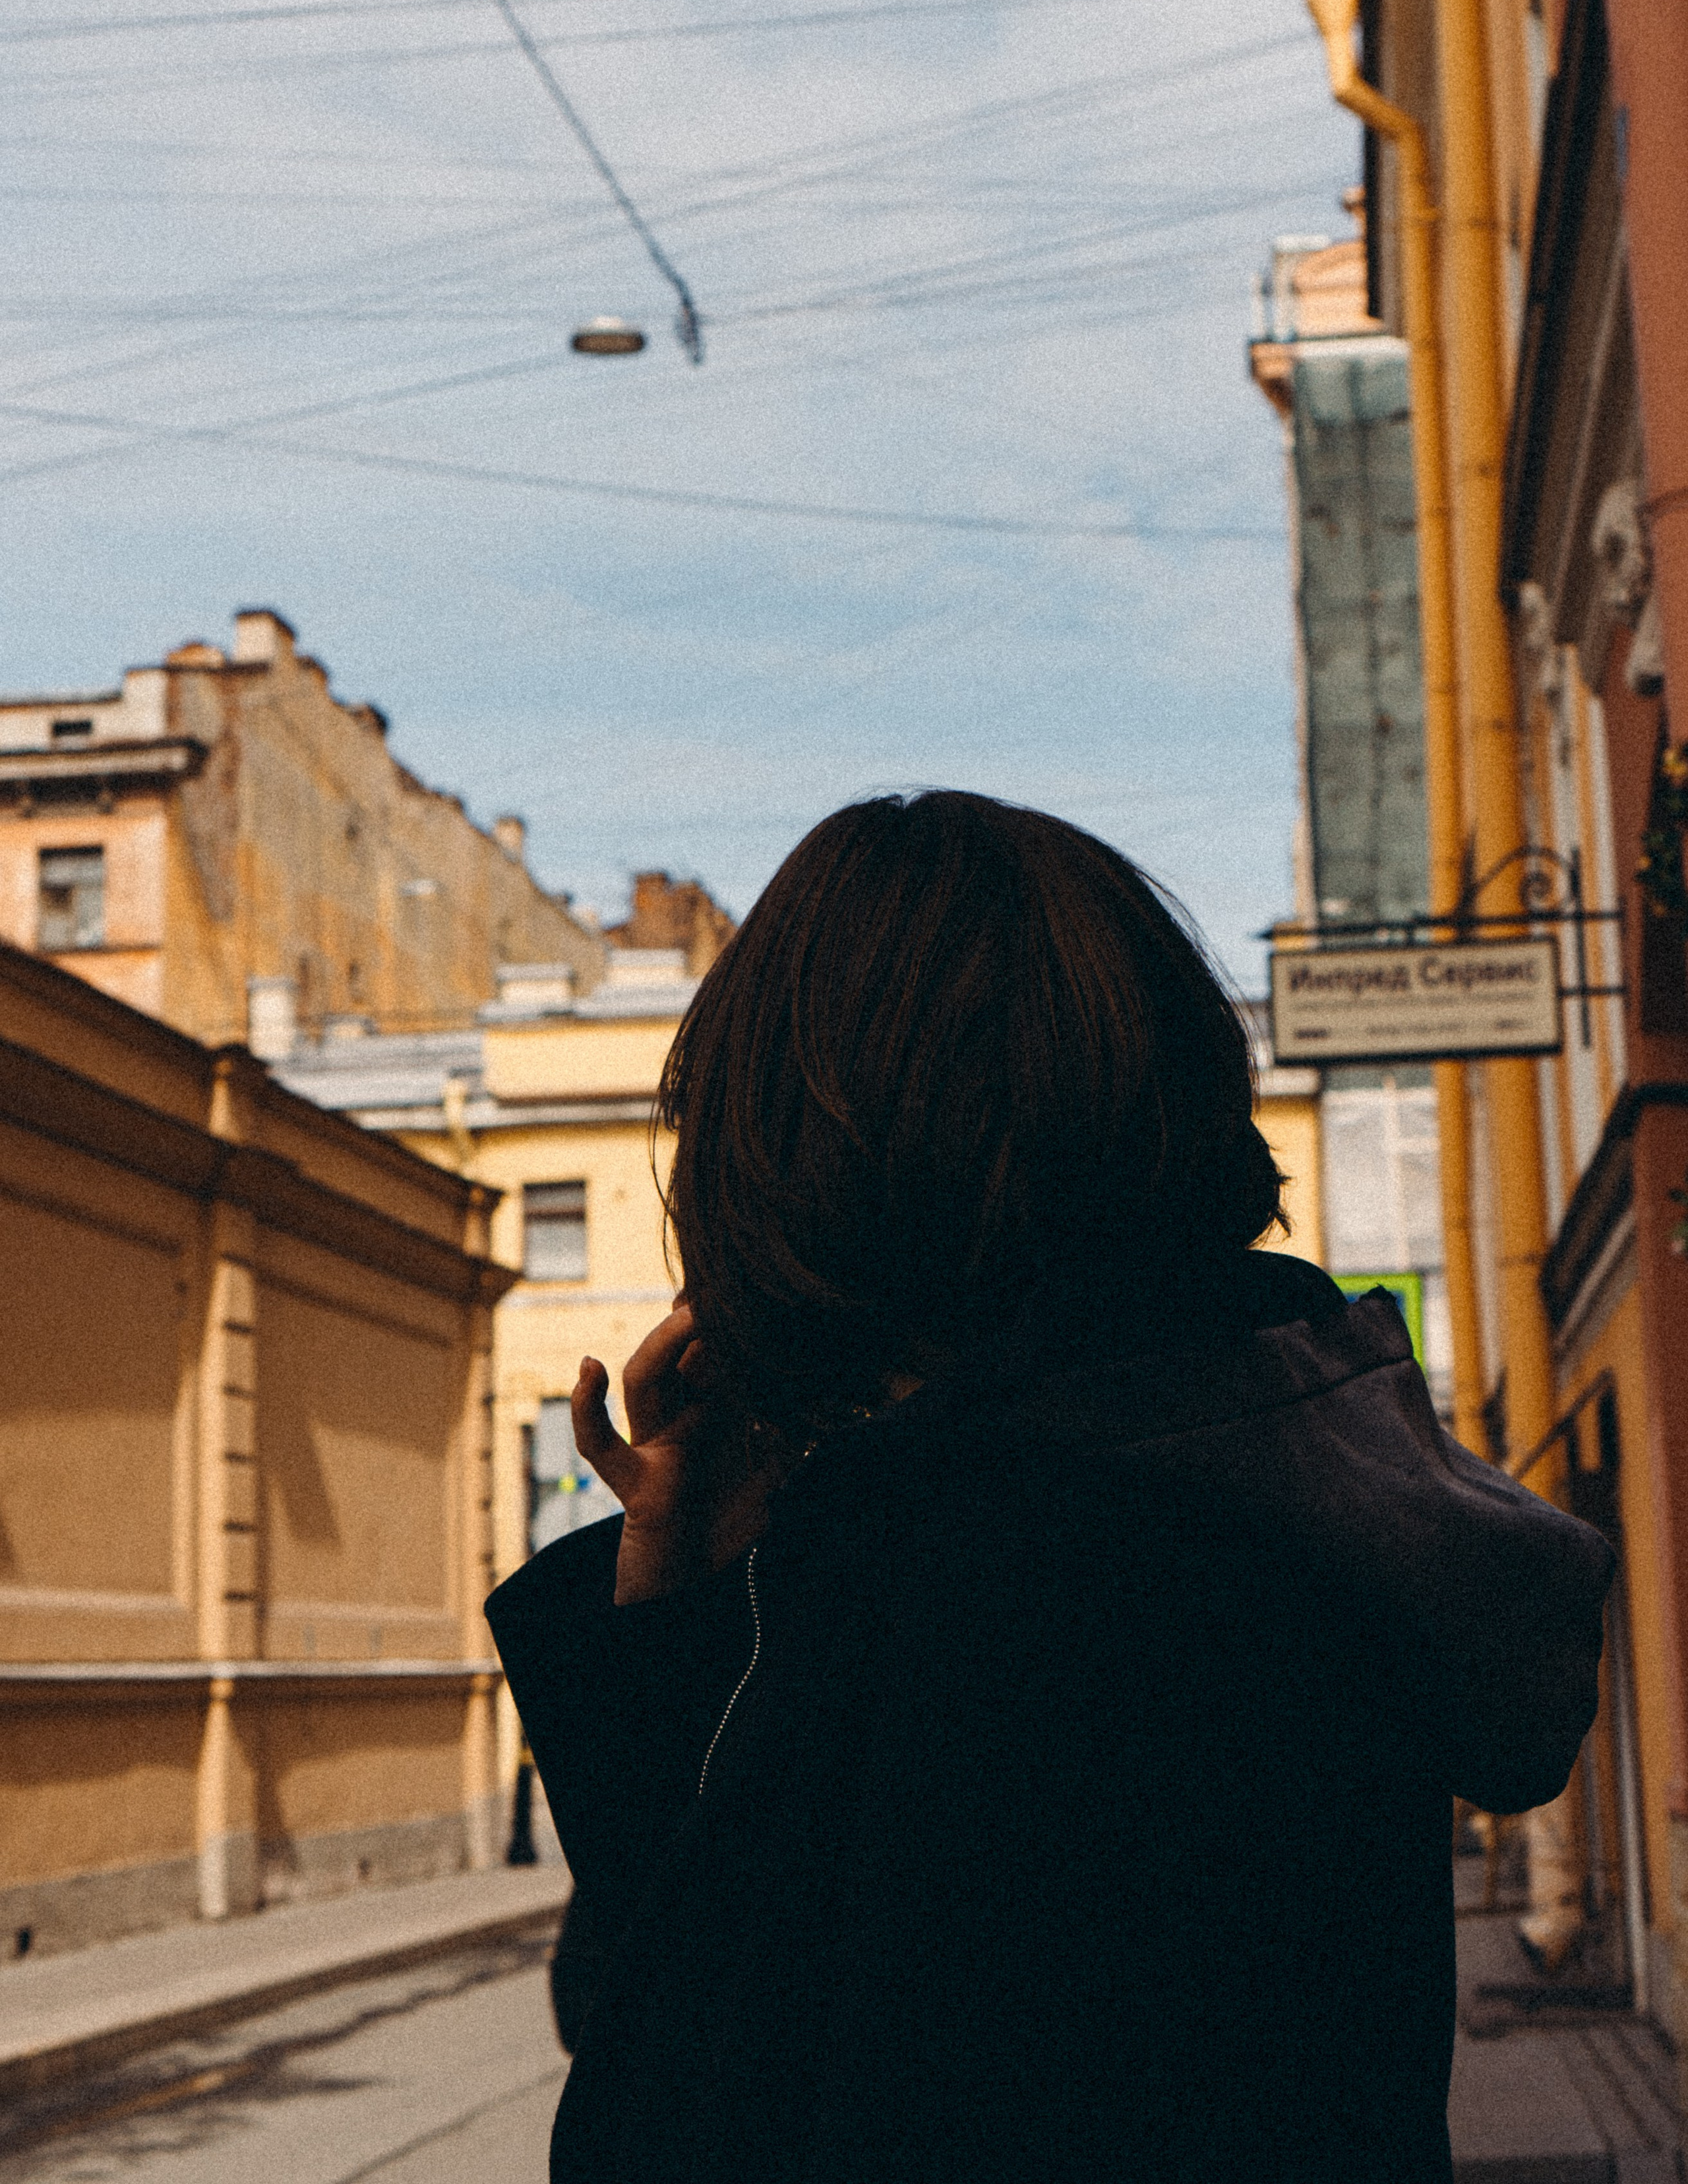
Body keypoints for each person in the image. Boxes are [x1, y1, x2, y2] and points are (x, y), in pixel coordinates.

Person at [487, 790, 1612, 2184]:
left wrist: (687, 1620)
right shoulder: (1274, 1478)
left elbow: (672, 2103)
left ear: (800, 1149)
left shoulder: (977, 1582)